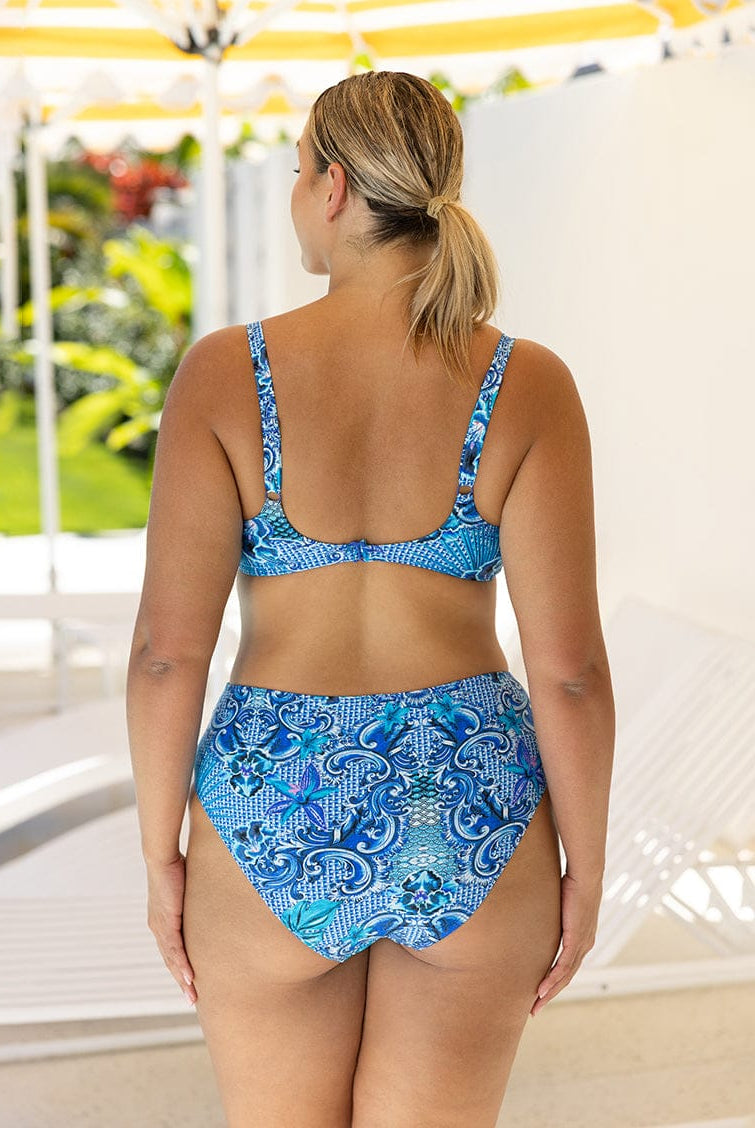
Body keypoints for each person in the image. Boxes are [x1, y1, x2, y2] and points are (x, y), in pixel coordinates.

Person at [127, 69, 615, 1128]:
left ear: (335, 187)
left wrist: (162, 857)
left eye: (298, 171)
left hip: (272, 797)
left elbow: (167, 652)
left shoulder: (226, 373)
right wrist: (583, 870)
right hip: (470, 798)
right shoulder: (524, 381)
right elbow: (570, 671)